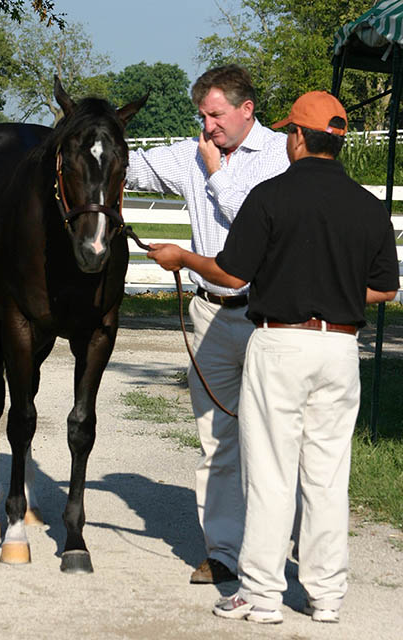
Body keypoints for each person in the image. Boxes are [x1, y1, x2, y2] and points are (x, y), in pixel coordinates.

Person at [147, 91, 399, 623]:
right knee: (328, 474)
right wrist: (338, 292)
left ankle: (260, 594)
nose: (285, 139)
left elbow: (233, 275)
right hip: (340, 347)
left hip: (281, 342)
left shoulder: (271, 195)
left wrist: (183, 257)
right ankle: (326, 595)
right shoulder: (368, 206)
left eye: (289, 132)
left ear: (301, 138)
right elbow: (385, 291)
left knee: (269, 470)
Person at [126, 65, 289, 584]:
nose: (208, 125)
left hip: (270, 316)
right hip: (210, 311)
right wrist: (86, 139)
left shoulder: (283, 155)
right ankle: (222, 550)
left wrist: (214, 170)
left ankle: (283, 551)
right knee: (216, 438)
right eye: (203, 115)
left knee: (278, 438)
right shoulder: (192, 152)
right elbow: (135, 169)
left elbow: (253, 220)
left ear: (247, 110)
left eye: (216, 114)